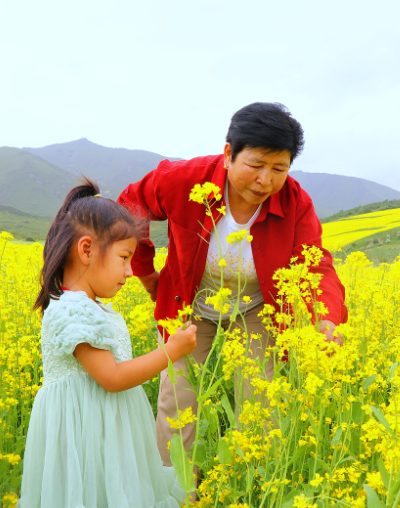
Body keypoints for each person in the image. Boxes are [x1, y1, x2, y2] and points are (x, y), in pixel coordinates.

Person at [117, 102, 348, 468]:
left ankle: (249, 485)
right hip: (190, 304)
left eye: (279, 169)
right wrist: (146, 273)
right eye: (255, 165)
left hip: (258, 309)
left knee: (261, 404)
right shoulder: (184, 180)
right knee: (177, 401)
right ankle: (172, 491)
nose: (265, 180)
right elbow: (131, 208)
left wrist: (326, 316)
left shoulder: (295, 202)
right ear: (229, 154)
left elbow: (315, 263)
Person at [17, 179, 197, 508]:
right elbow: (111, 378)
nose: (130, 272)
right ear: (86, 250)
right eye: (124, 258)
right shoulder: (72, 309)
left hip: (105, 431)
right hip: (85, 436)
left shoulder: (92, 306)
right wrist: (170, 352)